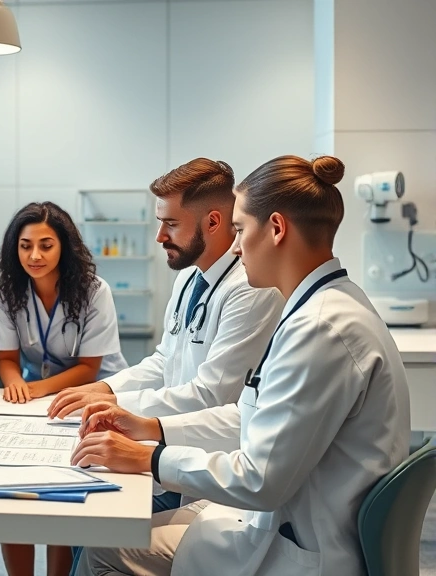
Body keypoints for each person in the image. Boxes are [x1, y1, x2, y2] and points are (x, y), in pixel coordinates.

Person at [72, 155, 411, 576]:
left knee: (101, 550)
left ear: (275, 228)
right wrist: (151, 428)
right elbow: (254, 415)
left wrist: (150, 458)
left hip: (300, 548)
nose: (234, 246)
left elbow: (260, 480)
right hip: (280, 519)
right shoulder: (324, 306)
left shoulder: (321, 328)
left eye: (239, 229)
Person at [47, 159, 284, 514]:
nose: (159, 236)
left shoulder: (250, 290)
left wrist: (120, 408)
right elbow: (164, 360)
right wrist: (106, 389)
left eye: (171, 224)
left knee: (99, 527)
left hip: (208, 470)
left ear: (214, 222)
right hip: (169, 454)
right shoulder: (189, 278)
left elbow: (211, 395)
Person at [0, 201, 127, 576]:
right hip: (39, 401)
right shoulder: (8, 292)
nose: (34, 255)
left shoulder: (93, 290)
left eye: (46, 245)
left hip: (96, 393)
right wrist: (15, 381)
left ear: (64, 246)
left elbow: (89, 367)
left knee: (60, 493)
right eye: (24, 245)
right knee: (12, 489)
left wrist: (35, 389)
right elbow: (6, 358)